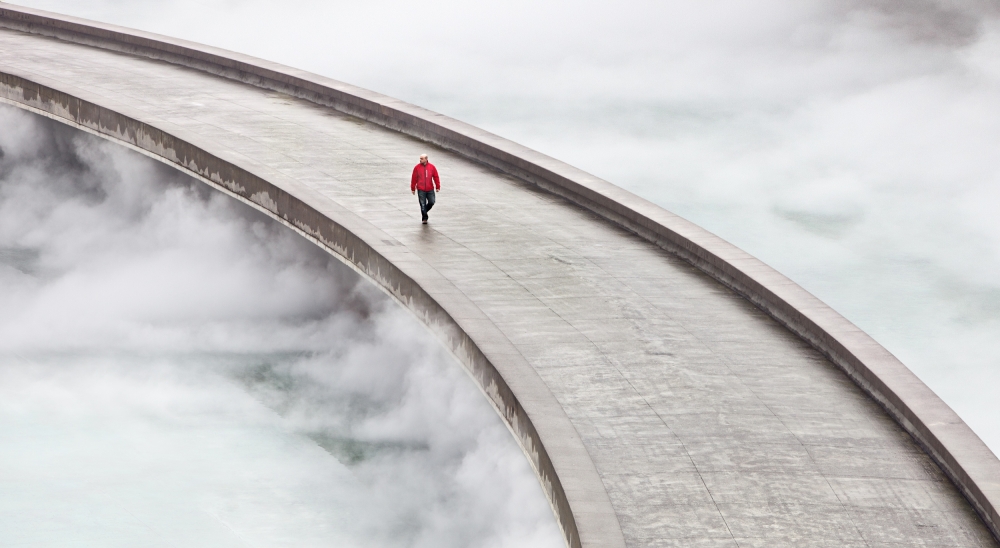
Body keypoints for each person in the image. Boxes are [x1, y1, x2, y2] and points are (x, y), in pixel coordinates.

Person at [410, 153, 441, 224]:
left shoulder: (432, 167)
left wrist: (437, 186)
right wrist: (413, 188)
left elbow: (436, 177)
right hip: (421, 189)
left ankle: (424, 211)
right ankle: (424, 218)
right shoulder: (417, 168)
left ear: (426, 159)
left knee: (432, 202)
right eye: (420, 158)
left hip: (430, 189)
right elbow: (414, 178)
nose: (420, 160)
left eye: (422, 158)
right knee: (422, 204)